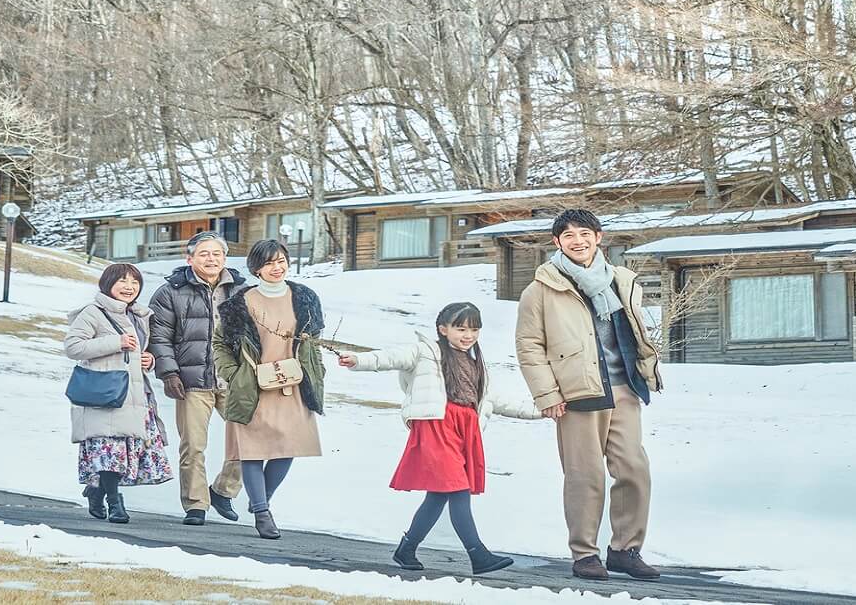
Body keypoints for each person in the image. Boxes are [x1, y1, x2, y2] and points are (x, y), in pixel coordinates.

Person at [514, 209, 664, 581]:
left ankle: (625, 550)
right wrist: (546, 393)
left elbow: (633, 332)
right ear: (557, 243)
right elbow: (529, 345)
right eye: (568, 236)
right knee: (585, 476)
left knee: (634, 469)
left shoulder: (621, 280)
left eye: (585, 233)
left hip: (625, 387)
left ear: (599, 237)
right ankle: (585, 554)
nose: (577, 240)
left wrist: (648, 368)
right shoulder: (542, 289)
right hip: (577, 393)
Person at [339, 302, 539, 576]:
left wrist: (542, 410)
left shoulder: (475, 362)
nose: (468, 335)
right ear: (443, 329)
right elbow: (392, 357)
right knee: (457, 489)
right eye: (461, 328)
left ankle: (406, 549)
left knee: (438, 496)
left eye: (474, 329)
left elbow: (492, 400)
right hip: (437, 426)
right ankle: (478, 555)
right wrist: (358, 360)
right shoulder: (426, 351)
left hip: (463, 431)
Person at [212, 238, 325, 540]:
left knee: (287, 447)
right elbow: (220, 343)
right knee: (252, 450)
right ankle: (262, 511)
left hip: (294, 385)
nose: (277, 268)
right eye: (268, 263)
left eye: (281, 261)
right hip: (252, 386)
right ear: (256, 268)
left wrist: (318, 371)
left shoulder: (305, 298)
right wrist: (234, 374)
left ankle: (260, 499)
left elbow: (313, 344)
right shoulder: (238, 304)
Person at [147, 232, 248, 526]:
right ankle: (196, 504)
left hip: (233, 380)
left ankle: (223, 490)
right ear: (189, 258)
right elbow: (159, 336)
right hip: (192, 382)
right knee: (193, 445)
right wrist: (168, 372)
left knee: (250, 441)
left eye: (216, 253)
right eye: (204, 253)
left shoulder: (242, 290)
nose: (211, 259)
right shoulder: (170, 292)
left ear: (225, 259)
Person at [64, 262, 173, 525]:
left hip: (134, 394)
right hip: (104, 392)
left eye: (134, 282)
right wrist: (117, 342)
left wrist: (148, 359)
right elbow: (73, 347)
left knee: (123, 451)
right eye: (122, 281)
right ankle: (115, 502)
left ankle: (96, 490)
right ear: (107, 283)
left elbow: (136, 351)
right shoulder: (92, 312)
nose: (129, 287)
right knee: (109, 448)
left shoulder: (138, 315)